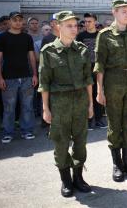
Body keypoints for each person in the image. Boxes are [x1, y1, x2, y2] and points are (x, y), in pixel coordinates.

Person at [38, 11, 93, 197]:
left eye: (75, 25)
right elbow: (44, 82)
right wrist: (45, 109)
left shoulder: (82, 50)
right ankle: (66, 180)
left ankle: (78, 177)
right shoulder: (48, 51)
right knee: (61, 143)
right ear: (58, 27)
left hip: (80, 101)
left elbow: (88, 80)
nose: (73, 29)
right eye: (68, 25)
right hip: (59, 103)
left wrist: (91, 105)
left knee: (80, 142)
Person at [94, 0, 127, 182]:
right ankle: (117, 164)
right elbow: (99, 65)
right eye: (123, 11)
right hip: (113, 81)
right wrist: (100, 91)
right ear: (114, 12)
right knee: (115, 123)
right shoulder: (105, 35)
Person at [0, 12, 38, 143]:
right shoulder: (2, 38)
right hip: (8, 78)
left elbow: (31, 57)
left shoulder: (27, 38)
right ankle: (8, 132)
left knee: (27, 106)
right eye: (15, 20)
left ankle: (27, 131)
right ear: (9, 21)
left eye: (20, 20)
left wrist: (35, 74)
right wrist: (0, 78)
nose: (18, 22)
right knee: (9, 107)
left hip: (26, 77)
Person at [77, 13, 106, 129]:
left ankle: (99, 119)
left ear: (95, 22)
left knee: (98, 92)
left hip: (98, 68)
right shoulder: (80, 36)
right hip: (86, 68)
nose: (87, 23)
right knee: (87, 95)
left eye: (89, 21)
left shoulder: (100, 35)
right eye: (85, 21)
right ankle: (89, 119)